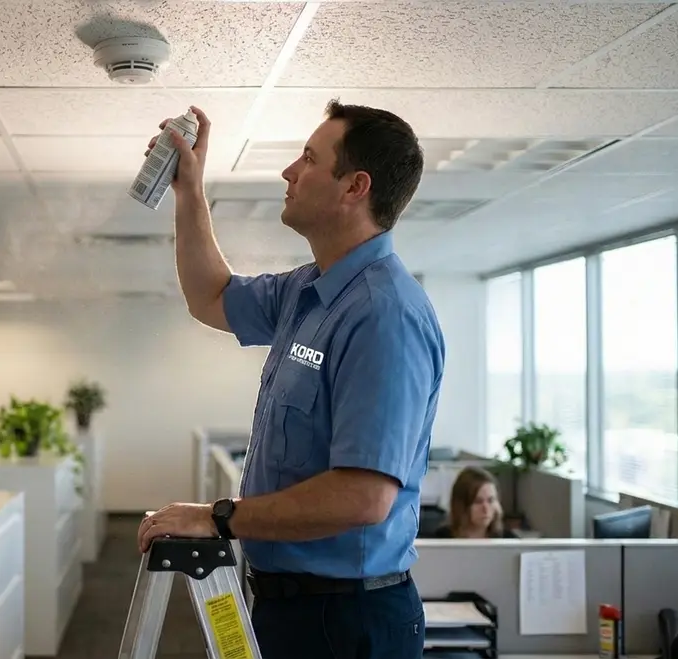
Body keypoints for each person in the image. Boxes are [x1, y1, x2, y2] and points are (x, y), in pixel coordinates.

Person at [135, 103, 445, 659]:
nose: (288, 172)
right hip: (290, 606)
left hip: (347, 620)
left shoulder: (383, 315)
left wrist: (219, 518)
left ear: (355, 187)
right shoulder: (308, 291)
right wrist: (189, 190)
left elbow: (363, 497)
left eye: (308, 158)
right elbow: (211, 295)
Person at [431, 467, 518, 539]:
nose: (486, 509)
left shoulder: (508, 540)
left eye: (491, 500)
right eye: (478, 502)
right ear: (462, 505)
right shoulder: (441, 539)